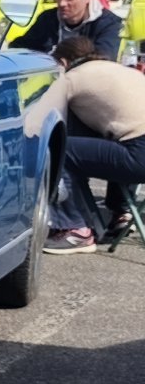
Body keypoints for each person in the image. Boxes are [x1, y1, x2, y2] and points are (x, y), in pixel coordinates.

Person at [42, 36, 145, 254]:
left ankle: (75, 229)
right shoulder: (119, 70)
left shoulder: (71, 78)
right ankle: (120, 212)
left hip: (139, 154)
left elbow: (46, 114)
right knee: (116, 140)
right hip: (136, 145)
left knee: (61, 150)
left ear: (63, 63)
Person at [11, 0, 121, 60]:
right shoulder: (48, 18)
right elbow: (21, 47)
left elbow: (104, 61)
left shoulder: (108, 24)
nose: (62, 3)